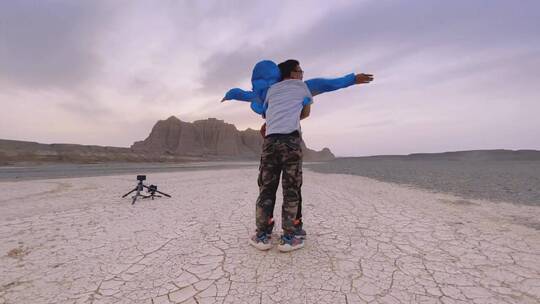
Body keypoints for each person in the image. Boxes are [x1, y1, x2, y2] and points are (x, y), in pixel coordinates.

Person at [222, 60, 374, 242]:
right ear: (292, 74)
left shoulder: (271, 91)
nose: (302, 73)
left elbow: (248, 98)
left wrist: (230, 95)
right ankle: (289, 236)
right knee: (291, 190)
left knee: (266, 189)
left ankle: (262, 234)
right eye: (300, 70)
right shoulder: (302, 87)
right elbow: (328, 84)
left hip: (269, 143)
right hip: (290, 142)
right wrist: (352, 79)